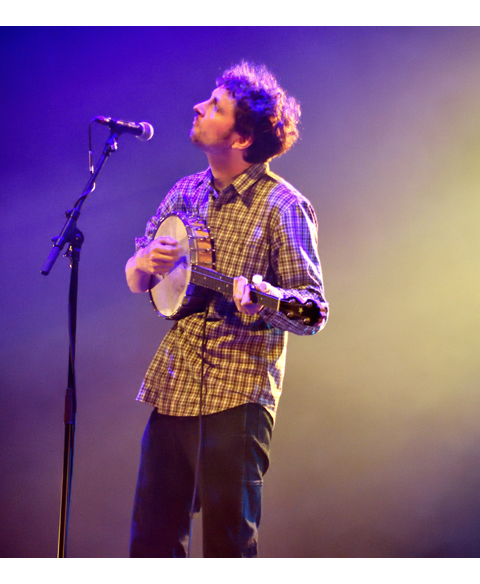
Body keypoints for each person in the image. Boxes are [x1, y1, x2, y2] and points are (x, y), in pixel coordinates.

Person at [125, 61, 328, 558]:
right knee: (152, 541)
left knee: (227, 547)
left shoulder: (284, 205)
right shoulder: (184, 191)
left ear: (240, 138)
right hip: (174, 385)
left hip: (238, 392)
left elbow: (313, 310)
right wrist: (145, 260)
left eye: (215, 106)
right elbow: (136, 279)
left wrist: (265, 299)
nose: (198, 107)